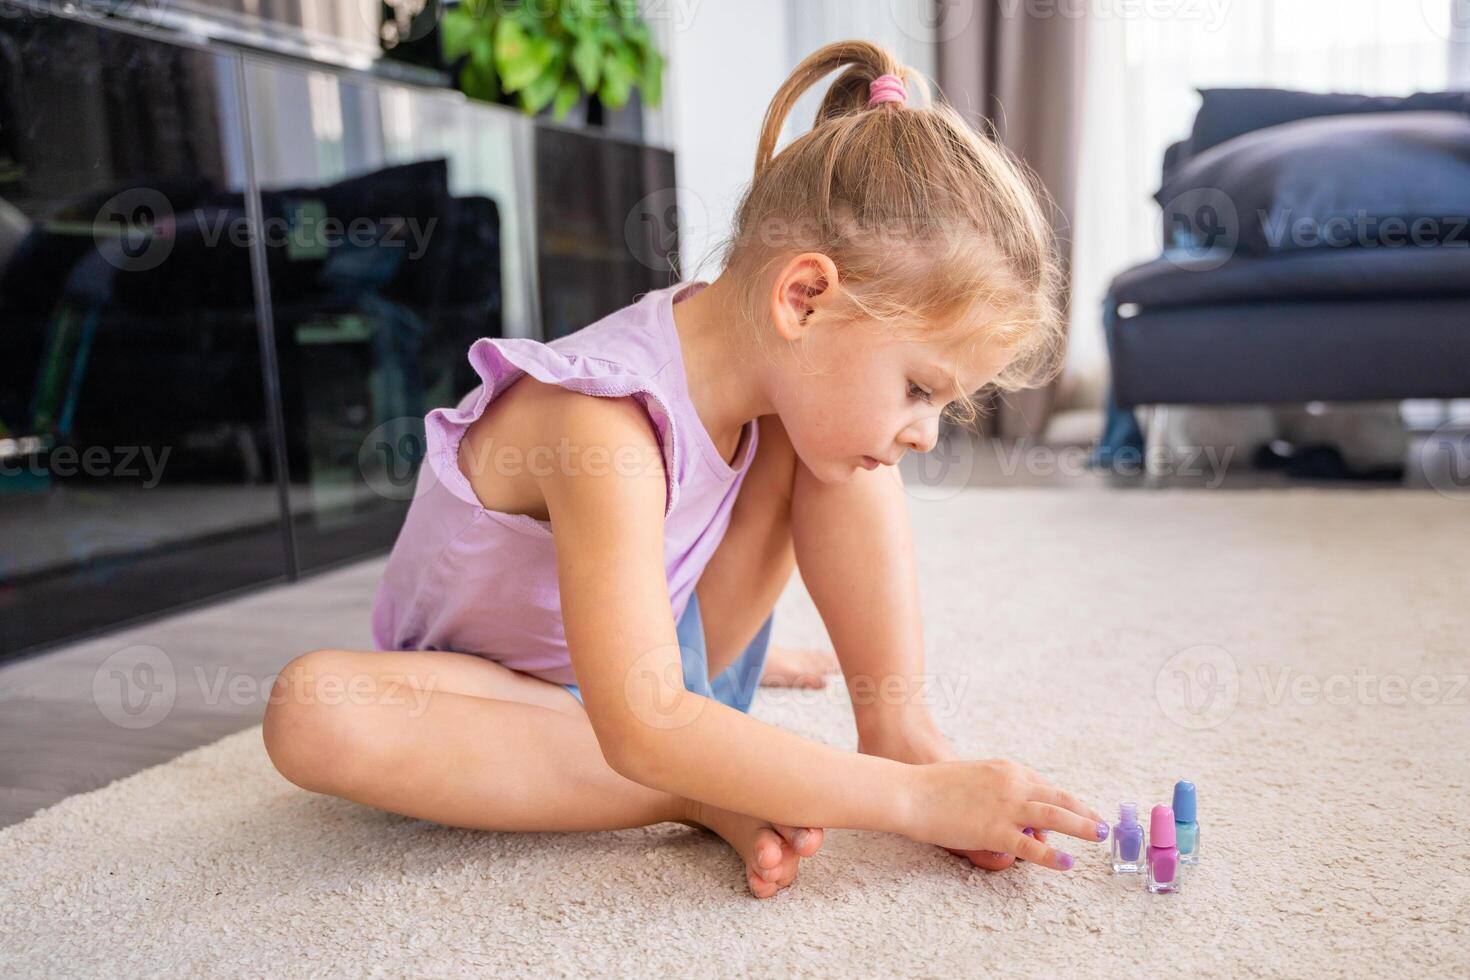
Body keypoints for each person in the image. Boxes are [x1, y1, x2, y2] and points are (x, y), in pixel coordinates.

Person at [262, 40, 1105, 899]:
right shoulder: (600, 425)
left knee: (846, 441)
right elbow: (645, 721)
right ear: (803, 297)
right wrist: (911, 804)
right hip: (517, 711)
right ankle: (701, 785)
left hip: (663, 668)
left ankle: (897, 726)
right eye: (921, 388)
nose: (927, 433)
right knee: (313, 712)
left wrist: (893, 750)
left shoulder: (775, 371)